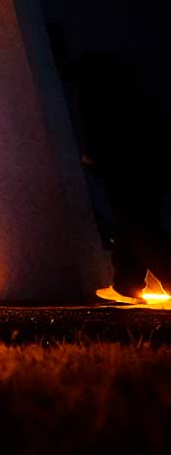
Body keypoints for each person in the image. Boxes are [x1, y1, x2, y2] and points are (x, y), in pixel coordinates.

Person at [77, 53, 170, 300]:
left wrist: (92, 154)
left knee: (138, 225)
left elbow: (108, 131)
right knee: (131, 224)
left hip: (127, 167)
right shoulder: (141, 97)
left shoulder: (109, 101)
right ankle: (127, 284)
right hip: (148, 166)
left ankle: (144, 281)